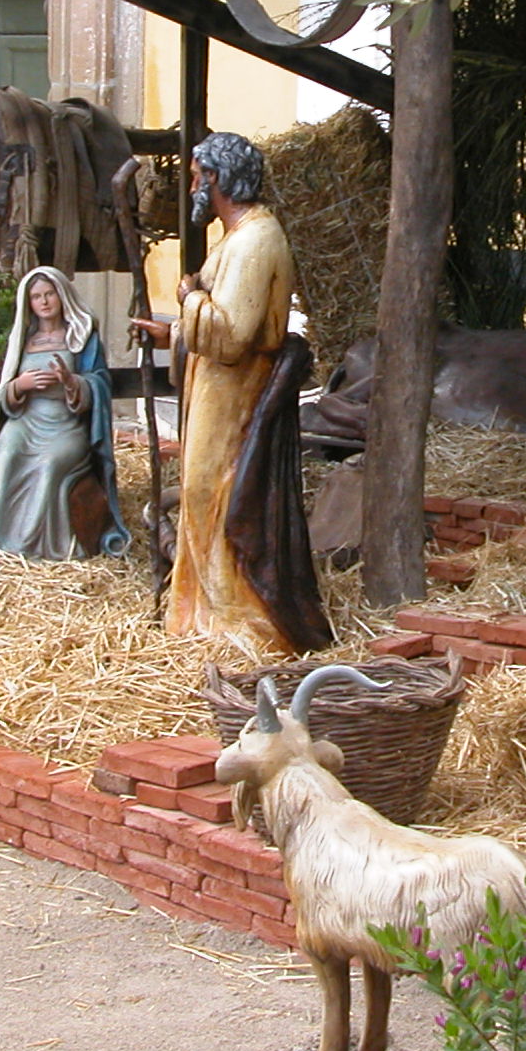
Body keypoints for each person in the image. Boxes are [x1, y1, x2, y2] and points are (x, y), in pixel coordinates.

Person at [132, 132, 332, 658]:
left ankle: (240, 622)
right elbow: (219, 326)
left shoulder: (256, 239)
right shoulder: (236, 236)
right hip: (218, 389)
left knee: (218, 494)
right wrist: (172, 334)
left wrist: (189, 298)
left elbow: (234, 335)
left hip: (238, 394)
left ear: (217, 179)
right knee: (201, 492)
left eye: (196, 177)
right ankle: (199, 614)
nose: (192, 187)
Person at [0, 266, 130, 561]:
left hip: (66, 423)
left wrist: (73, 383)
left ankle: (39, 545)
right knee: (8, 452)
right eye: (37, 297)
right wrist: (19, 386)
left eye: (50, 294)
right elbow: (4, 395)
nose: (44, 302)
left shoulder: (81, 337)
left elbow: (100, 382)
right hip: (26, 420)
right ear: (29, 303)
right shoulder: (23, 340)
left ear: (62, 295)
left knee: (50, 463)